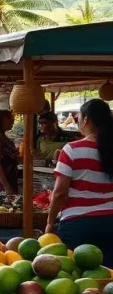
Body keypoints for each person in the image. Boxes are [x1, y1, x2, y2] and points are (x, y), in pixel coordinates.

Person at [48, 99, 113, 266]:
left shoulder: (72, 149)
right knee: (108, 275)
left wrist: (49, 222)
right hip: (110, 222)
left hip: (78, 224)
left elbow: (60, 193)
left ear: (86, 120)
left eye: (78, 118)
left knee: (77, 273)